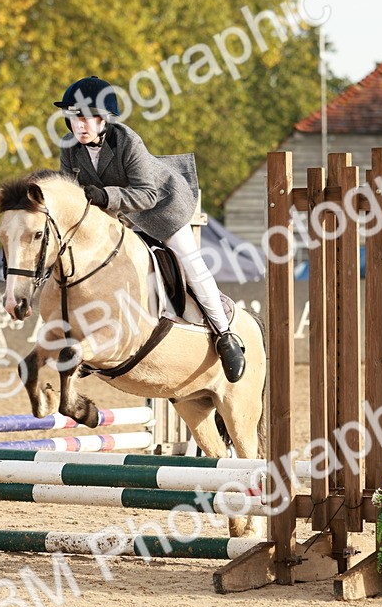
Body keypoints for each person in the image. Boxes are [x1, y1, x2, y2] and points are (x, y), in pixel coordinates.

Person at [54, 76, 246, 382]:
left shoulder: (127, 141)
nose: (79, 124)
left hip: (162, 209)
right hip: (121, 216)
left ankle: (226, 335)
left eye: (86, 116)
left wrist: (107, 196)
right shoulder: (70, 149)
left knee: (190, 263)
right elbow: (69, 190)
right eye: (73, 116)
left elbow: (147, 195)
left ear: (104, 119)